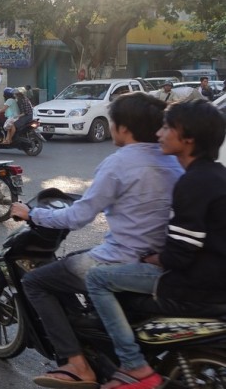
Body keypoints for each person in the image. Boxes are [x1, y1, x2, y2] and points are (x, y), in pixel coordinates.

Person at [9, 92, 184, 388]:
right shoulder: (173, 162)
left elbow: (78, 217)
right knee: (71, 263)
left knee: (35, 282)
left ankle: (76, 364)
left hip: (122, 260)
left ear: (123, 128)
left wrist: (32, 214)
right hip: (162, 260)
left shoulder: (119, 163)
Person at [85, 100, 226, 389]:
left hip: (196, 284)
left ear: (187, 138)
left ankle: (133, 365)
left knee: (97, 278)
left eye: (166, 127)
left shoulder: (194, 182)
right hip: (214, 276)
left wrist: (153, 259)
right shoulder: (216, 175)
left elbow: (180, 254)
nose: (159, 133)